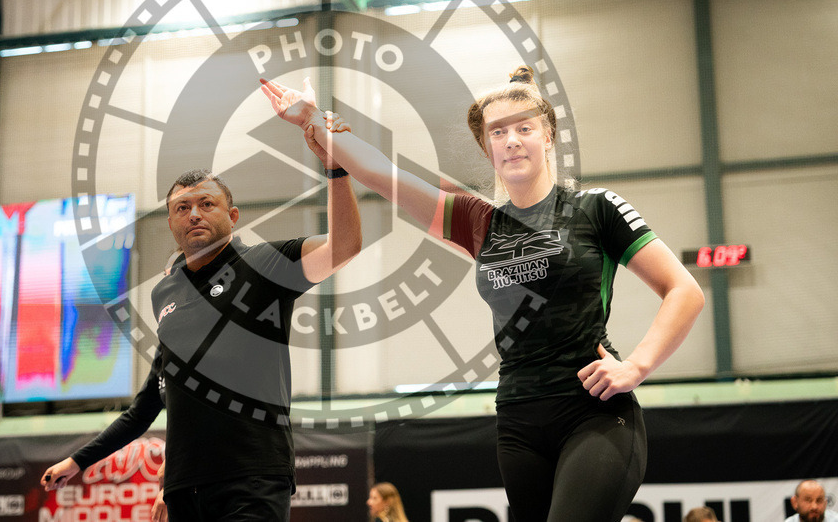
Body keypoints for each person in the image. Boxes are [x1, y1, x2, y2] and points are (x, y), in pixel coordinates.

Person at [261, 67, 705, 522]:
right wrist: (314, 118)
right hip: (518, 421)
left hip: (594, 413)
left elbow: (683, 290)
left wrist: (636, 366)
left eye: (524, 128)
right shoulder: (478, 222)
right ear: (487, 146)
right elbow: (383, 174)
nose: (511, 140)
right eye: (499, 132)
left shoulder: (596, 208)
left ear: (548, 136)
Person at [41, 128, 362, 522]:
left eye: (206, 203)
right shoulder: (164, 294)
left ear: (232, 216)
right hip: (183, 489)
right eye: (181, 207)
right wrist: (78, 460)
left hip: (253, 476)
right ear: (172, 224)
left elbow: (344, 246)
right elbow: (151, 401)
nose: (193, 213)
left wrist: (336, 170)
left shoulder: (266, 264)